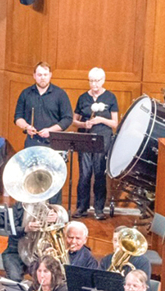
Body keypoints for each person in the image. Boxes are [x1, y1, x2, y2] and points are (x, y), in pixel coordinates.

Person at [73, 67, 119, 220]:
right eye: (91, 81)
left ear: (103, 80)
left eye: (97, 81)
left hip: (102, 139)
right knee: (84, 174)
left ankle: (99, 209)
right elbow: (74, 121)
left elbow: (115, 123)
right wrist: (83, 125)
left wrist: (100, 120)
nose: (94, 84)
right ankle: (81, 207)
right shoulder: (82, 98)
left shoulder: (110, 97)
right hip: (85, 139)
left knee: (99, 174)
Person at [14, 62, 72, 155]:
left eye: (45, 74)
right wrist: (27, 127)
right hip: (32, 143)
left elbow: (68, 118)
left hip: (53, 143)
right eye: (39, 75)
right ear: (34, 76)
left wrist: (50, 130)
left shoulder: (60, 94)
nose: (43, 77)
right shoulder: (25, 93)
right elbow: (18, 117)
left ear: (50, 75)